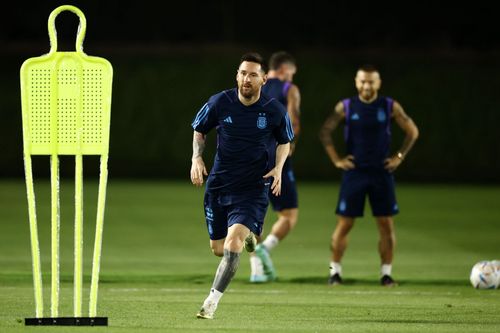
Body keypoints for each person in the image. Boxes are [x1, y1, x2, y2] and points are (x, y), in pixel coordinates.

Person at [190, 52, 293, 319]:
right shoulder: (219, 103)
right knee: (218, 249)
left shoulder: (274, 110)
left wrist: (279, 169)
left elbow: (285, 141)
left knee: (232, 245)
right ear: (237, 75)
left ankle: (211, 302)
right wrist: (196, 157)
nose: (246, 79)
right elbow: (199, 129)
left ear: (264, 79)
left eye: (252, 75)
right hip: (220, 185)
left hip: (253, 188)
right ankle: (250, 237)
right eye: (242, 73)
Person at [319, 65, 419, 286]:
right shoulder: (346, 106)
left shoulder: (390, 106)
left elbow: (413, 131)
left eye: (371, 81)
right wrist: (336, 159)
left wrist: (399, 156)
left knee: (385, 224)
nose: (367, 85)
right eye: (363, 81)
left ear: (378, 83)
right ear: (356, 82)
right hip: (354, 174)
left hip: (381, 173)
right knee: (344, 225)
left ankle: (386, 274)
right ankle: (334, 271)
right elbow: (325, 131)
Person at [249, 51, 301, 283]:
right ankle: (265, 248)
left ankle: (256, 270)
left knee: (252, 215)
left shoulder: (254, 83)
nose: (290, 78)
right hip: (279, 160)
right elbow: (293, 123)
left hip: (252, 159)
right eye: (290, 73)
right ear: (284, 69)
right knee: (288, 214)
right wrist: (290, 147)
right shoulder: (289, 89)